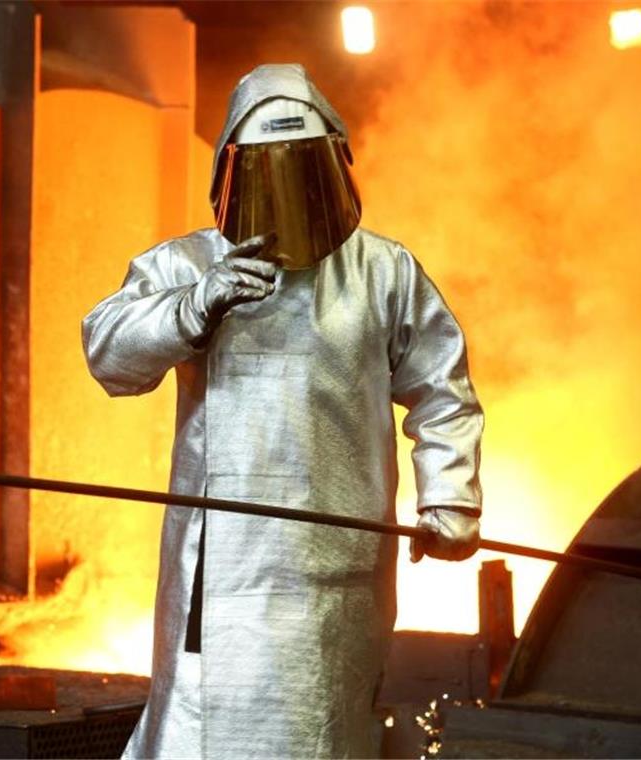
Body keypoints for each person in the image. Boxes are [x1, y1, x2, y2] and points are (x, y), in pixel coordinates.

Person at [82, 63, 484, 759]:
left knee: (325, 731)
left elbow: (442, 389)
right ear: (229, 175)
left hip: (336, 572)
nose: (288, 200)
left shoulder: (382, 274)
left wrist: (451, 498)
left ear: (335, 161)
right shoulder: (187, 267)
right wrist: (193, 307)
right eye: (268, 175)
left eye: (303, 171)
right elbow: (108, 354)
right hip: (220, 578)